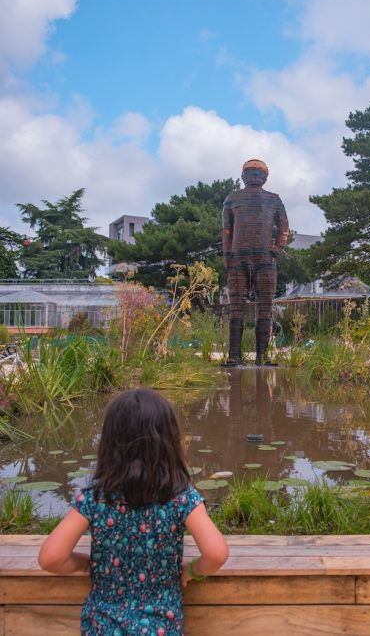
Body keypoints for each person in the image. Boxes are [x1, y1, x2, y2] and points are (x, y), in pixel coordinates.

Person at [38, 388, 229, 635]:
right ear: (169, 441)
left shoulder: (96, 496)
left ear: (109, 441)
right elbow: (216, 554)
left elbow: (50, 558)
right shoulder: (181, 496)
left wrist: (86, 563)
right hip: (162, 626)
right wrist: (190, 571)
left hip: (102, 626)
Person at [222, 158, 289, 365]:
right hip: (241, 259)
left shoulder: (273, 199)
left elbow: (284, 229)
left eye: (258, 173)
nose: (254, 176)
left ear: (265, 177)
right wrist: (228, 257)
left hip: (261, 260)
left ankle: (263, 355)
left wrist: (275, 249)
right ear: (243, 176)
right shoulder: (232, 199)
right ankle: (235, 356)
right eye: (251, 172)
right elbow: (226, 231)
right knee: (238, 308)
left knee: (265, 307)